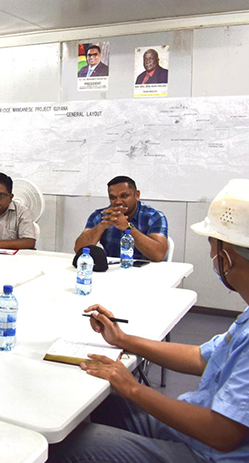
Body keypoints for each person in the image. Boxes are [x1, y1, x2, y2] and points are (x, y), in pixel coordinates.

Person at [49, 179, 249, 463]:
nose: (211, 255)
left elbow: (222, 433)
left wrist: (132, 387)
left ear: (226, 256)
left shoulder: (152, 216)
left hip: (208, 453)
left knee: (69, 445)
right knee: (104, 403)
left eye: (212, 246)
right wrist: (123, 339)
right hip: (197, 431)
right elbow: (200, 357)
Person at [74, 175, 168, 262]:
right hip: (111, 271)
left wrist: (128, 227)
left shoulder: (154, 216)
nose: (118, 202)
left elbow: (158, 255)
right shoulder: (101, 215)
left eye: (124, 196)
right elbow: (79, 249)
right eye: (113, 197)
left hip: (147, 272)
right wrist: (101, 226)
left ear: (137, 195)